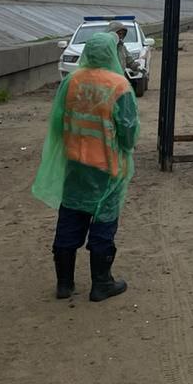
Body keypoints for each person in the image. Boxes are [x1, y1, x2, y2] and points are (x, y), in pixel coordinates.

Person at [31, 31, 139, 302]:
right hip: (106, 168)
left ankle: (64, 284)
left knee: (70, 215)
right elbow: (127, 132)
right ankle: (101, 283)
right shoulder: (119, 86)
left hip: (76, 164)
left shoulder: (71, 81)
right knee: (103, 221)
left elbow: (57, 121)